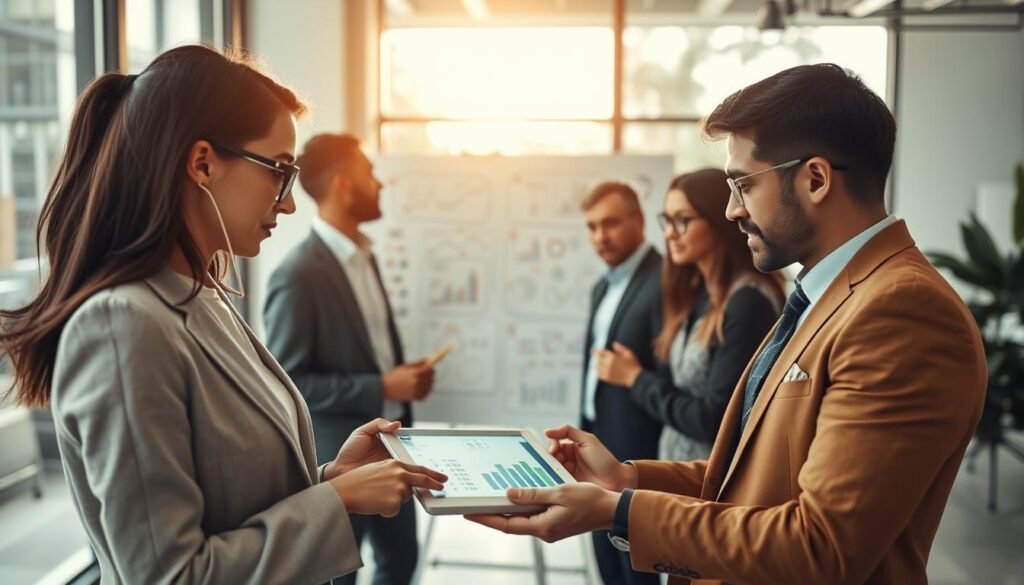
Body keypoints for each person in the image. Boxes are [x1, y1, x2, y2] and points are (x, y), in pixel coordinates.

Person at [467, 63, 986, 585]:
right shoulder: (831, 292)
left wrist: (618, 512)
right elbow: (758, 477)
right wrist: (627, 480)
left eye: (742, 185)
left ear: (815, 179)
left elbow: (821, 547)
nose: (732, 210)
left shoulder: (901, 312)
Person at [0, 45, 445, 585]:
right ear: (203, 163)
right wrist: (333, 501)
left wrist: (332, 478)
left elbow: (233, 499)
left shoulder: (201, 293)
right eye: (279, 171)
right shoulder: (123, 325)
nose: (289, 203)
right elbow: (170, 575)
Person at [264, 133, 432, 585]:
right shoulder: (298, 275)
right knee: (338, 575)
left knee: (401, 564)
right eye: (368, 173)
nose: (379, 184)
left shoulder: (365, 257)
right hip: (341, 457)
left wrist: (402, 383)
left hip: (396, 447)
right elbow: (290, 381)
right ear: (343, 184)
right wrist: (382, 387)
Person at [595, 169, 784, 462]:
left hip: (712, 487)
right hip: (679, 477)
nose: (670, 232)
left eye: (683, 220)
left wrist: (636, 379)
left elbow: (715, 421)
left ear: (718, 220)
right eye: (667, 220)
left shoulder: (748, 302)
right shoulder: (697, 296)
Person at [578, 181, 662, 585]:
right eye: (592, 227)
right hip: (600, 450)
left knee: (637, 576)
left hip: (641, 458)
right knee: (609, 573)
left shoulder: (666, 281)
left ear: (639, 221)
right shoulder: (602, 286)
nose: (600, 236)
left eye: (610, 224)